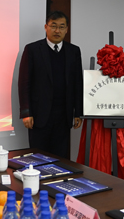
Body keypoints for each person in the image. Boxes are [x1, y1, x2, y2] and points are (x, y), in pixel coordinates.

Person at [18, 11, 83, 158]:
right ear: (46, 27)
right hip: (39, 115)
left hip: (64, 115)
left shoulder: (73, 51)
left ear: (66, 29)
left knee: (61, 157)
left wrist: (78, 112)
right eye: (53, 26)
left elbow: (77, 83)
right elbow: (24, 83)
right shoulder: (33, 49)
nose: (57, 30)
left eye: (61, 27)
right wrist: (26, 113)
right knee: (38, 157)